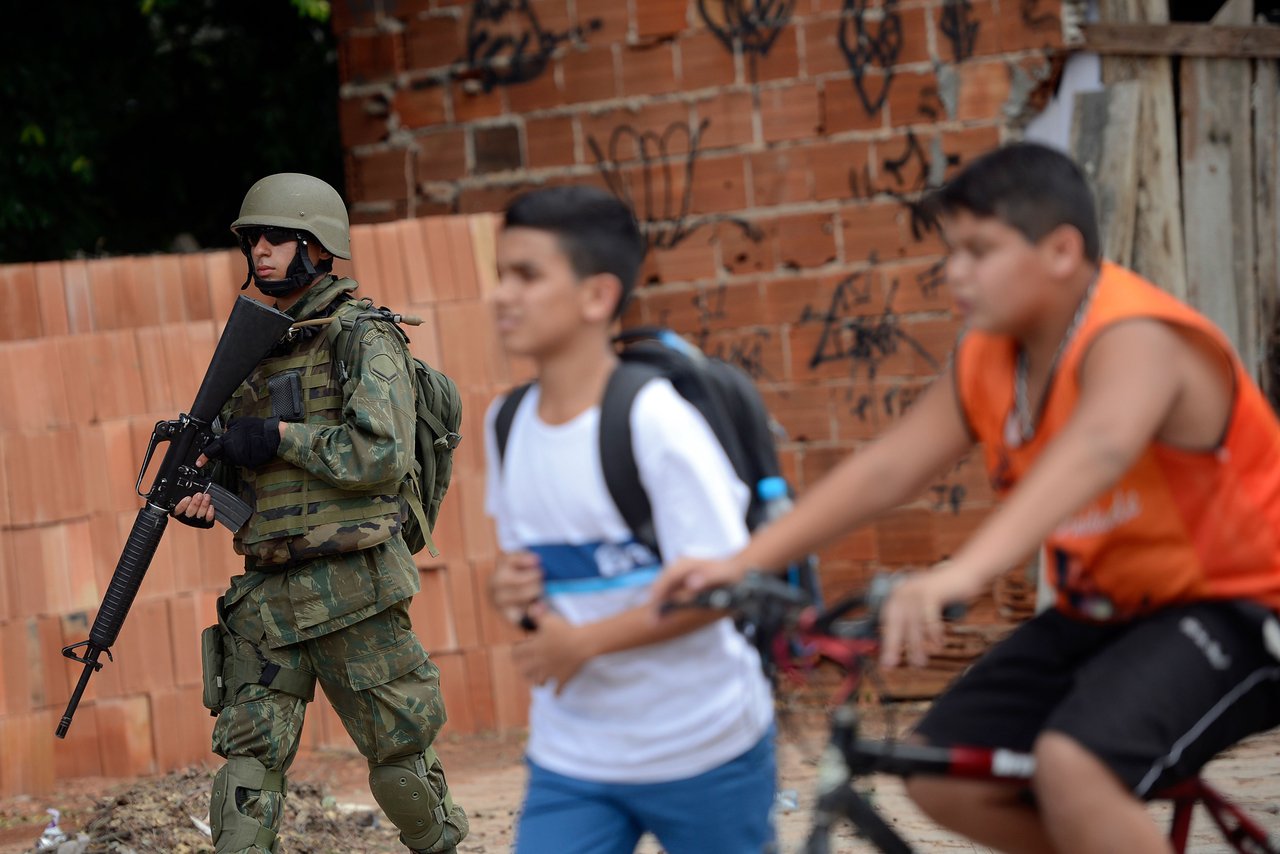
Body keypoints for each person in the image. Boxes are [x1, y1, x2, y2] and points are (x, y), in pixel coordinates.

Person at [653, 143, 1280, 853]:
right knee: (941, 771)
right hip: (1105, 612)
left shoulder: (1138, 335)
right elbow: (889, 469)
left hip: (1240, 606)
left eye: (979, 250)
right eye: (950, 251)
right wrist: (740, 563)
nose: (955, 271)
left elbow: (1098, 448)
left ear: (1061, 250)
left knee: (1074, 769)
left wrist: (961, 573)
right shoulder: (988, 357)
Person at [173, 173, 468, 854]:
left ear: (318, 244)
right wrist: (204, 497)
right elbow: (242, 488)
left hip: (354, 590)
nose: (262, 251)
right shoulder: (252, 349)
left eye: (277, 237)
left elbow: (382, 456)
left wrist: (280, 437)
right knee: (248, 770)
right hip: (268, 598)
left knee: (401, 762)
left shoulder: (363, 337)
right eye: (254, 240)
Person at [483, 185, 777, 854]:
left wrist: (584, 644)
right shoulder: (504, 423)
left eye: (527, 275)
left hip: (705, 747)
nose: (502, 295)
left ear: (597, 297)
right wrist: (507, 589)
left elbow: (724, 588)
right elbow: (532, 570)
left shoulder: (655, 421)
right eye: (500, 274)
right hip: (574, 757)